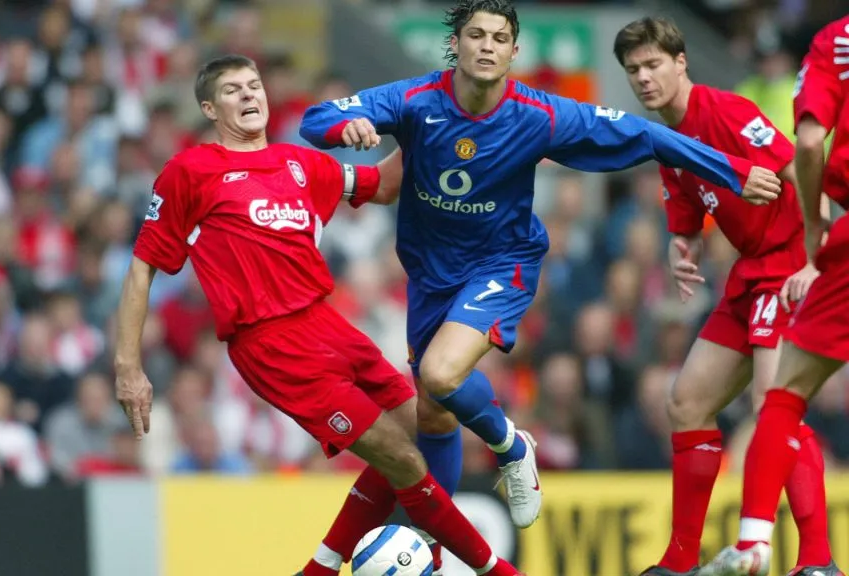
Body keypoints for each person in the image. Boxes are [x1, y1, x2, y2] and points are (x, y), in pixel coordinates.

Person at [298, 1, 781, 573]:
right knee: (433, 415)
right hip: (430, 275)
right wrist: (344, 127)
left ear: (513, 52)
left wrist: (731, 169)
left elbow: (648, 136)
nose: (486, 45)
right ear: (455, 45)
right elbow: (316, 118)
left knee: (441, 374)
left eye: (498, 37)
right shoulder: (412, 100)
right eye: (475, 34)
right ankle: (426, 549)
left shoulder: (539, 114)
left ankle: (509, 444)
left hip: (502, 263)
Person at [113, 54, 526, 576]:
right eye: (233, 90)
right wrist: (128, 366)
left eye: (254, 85)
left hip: (329, 326)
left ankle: (321, 568)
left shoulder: (301, 164)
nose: (248, 96)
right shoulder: (190, 171)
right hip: (271, 344)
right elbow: (141, 269)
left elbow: (384, 185)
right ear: (209, 108)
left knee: (424, 428)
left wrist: (431, 121)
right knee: (404, 460)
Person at [612, 17, 836, 576]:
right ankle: (681, 557)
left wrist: (816, 260)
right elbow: (688, 216)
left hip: (787, 265)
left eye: (653, 65)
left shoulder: (730, 112)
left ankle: (818, 561)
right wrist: (680, 247)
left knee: (773, 407)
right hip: (748, 274)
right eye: (634, 69)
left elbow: (802, 173)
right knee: (685, 403)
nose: (643, 78)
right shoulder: (667, 140)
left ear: (681, 62)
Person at [700, 15, 849, 576]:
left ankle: (756, 542)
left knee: (782, 397)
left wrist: (816, 226)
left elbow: (807, 141)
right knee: (695, 400)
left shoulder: (835, 40)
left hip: (831, 239)